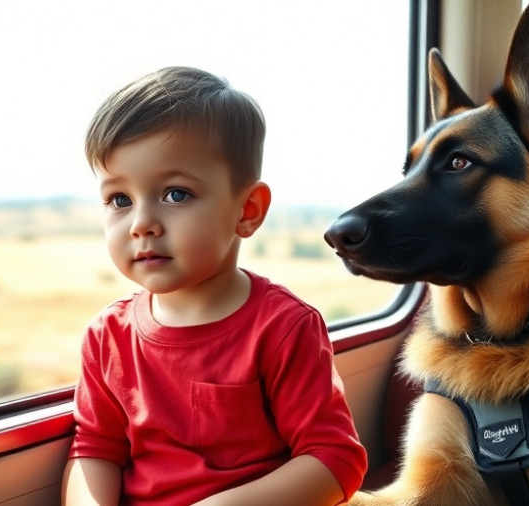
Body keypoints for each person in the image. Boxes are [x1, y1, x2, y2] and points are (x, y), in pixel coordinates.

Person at [62, 66, 367, 506]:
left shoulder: (283, 327)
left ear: (247, 209)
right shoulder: (107, 336)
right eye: (120, 200)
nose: (141, 223)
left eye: (176, 194)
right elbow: (95, 451)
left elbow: (334, 459)